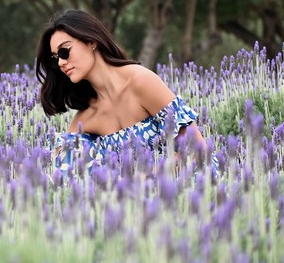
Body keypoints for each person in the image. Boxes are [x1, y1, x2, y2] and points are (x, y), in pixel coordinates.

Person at [35, 9, 218, 176]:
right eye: (55, 58)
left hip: (195, 187)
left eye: (64, 51)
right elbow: (65, 177)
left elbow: (198, 151)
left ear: (91, 41)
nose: (60, 63)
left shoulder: (140, 82)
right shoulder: (85, 119)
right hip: (135, 204)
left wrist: (147, 177)